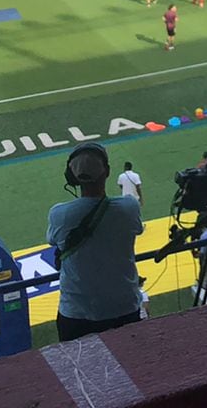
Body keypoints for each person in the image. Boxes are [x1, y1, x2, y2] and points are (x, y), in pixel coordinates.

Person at [46, 143, 143, 341]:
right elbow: (137, 228)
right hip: (125, 308)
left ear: (71, 177)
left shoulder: (59, 214)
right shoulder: (129, 207)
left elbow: (52, 240)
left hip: (76, 314)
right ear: (107, 172)